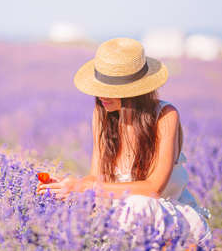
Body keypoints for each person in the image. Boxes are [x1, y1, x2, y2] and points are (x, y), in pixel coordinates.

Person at [36, 38, 212, 250]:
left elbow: (153, 189)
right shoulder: (101, 114)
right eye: (100, 86)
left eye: (110, 89)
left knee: (137, 205)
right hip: (122, 218)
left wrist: (84, 187)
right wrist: (69, 186)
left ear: (134, 90)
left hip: (169, 218)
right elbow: (96, 177)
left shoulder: (165, 116)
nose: (101, 96)